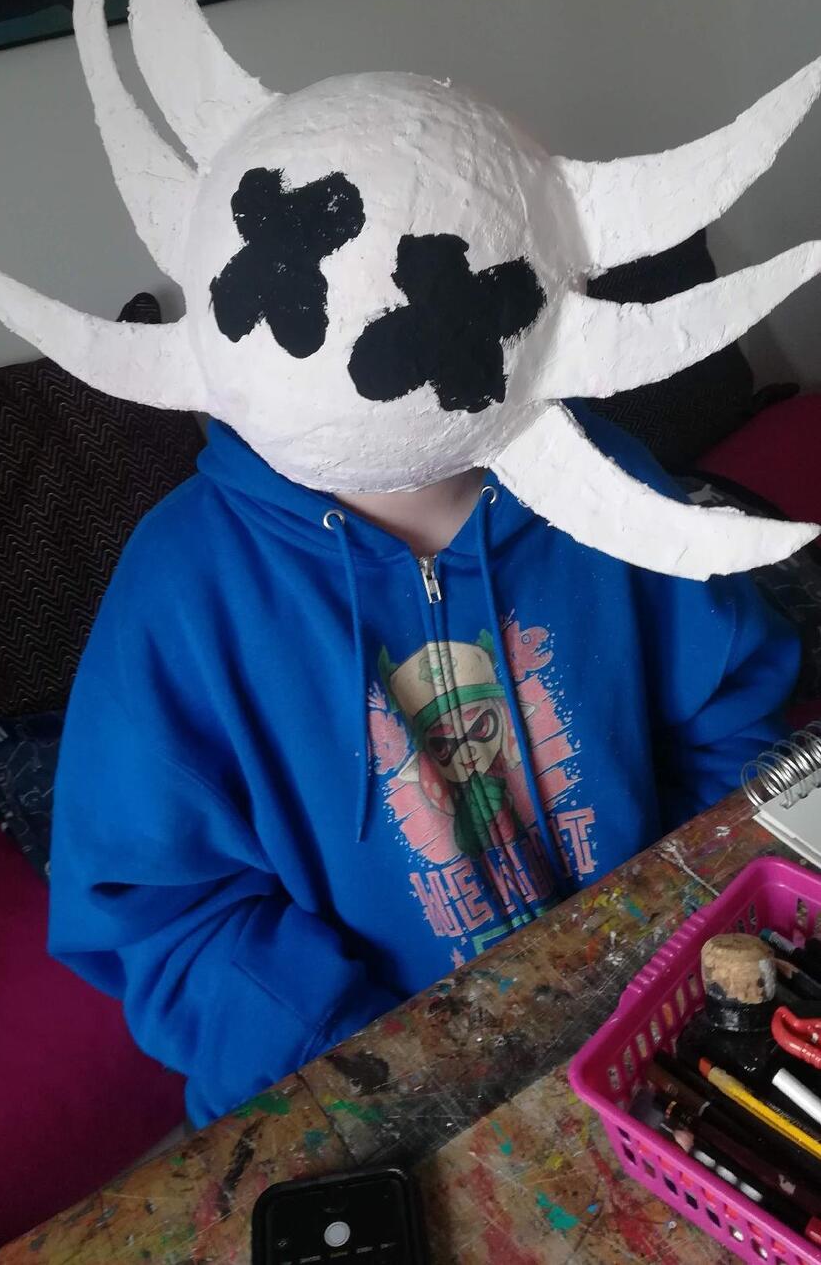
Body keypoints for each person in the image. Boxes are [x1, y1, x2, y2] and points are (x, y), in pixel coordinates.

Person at [48, 404, 798, 1126]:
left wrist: (686, 930)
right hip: (377, 1095)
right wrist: (376, 1059)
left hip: (671, 1011)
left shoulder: (606, 478)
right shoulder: (176, 585)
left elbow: (734, 728)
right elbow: (164, 921)